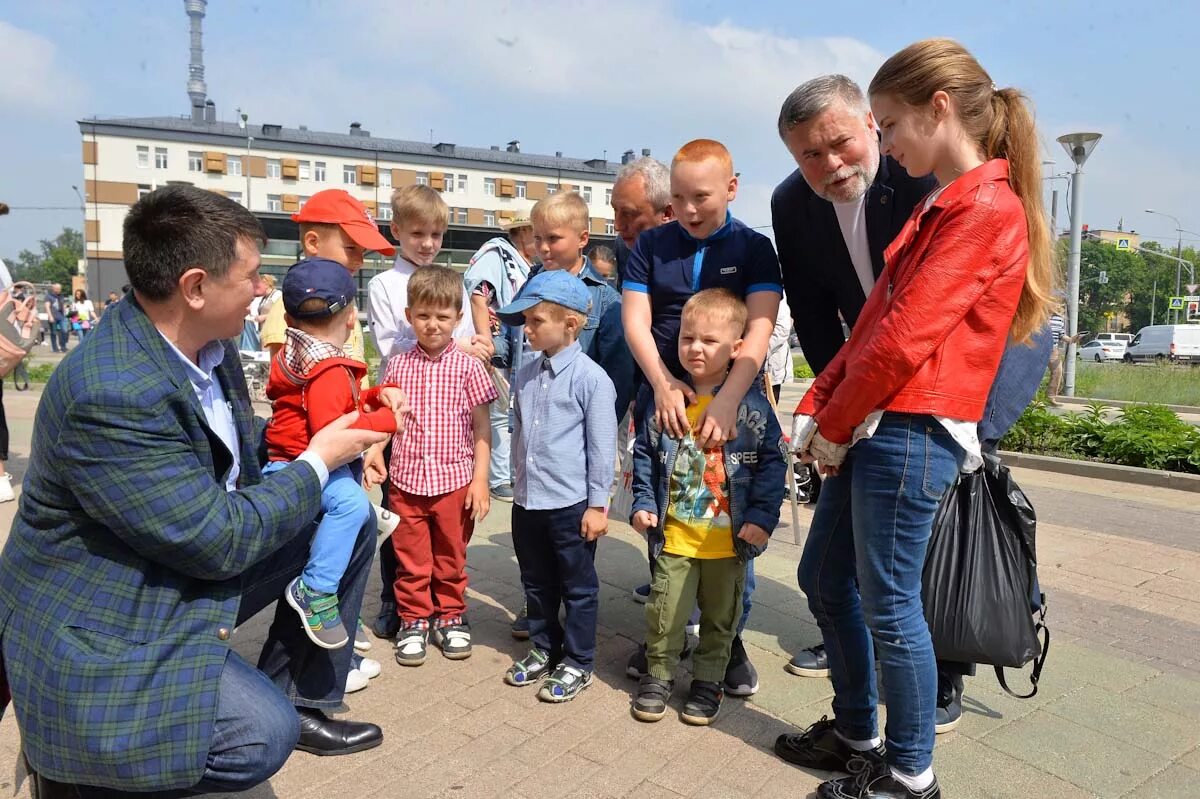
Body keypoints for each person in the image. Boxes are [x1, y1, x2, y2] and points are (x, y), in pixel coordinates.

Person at [0, 185, 396, 794]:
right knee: (258, 733)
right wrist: (319, 460)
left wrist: (333, 436)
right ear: (194, 287)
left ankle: (303, 696)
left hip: (171, 552)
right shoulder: (113, 392)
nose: (265, 289)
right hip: (109, 607)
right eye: (250, 276)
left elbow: (233, 460)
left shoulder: (208, 349)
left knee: (349, 518)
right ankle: (85, 764)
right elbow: (219, 539)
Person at [782, 40, 1054, 799]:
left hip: (913, 427)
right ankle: (858, 732)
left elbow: (903, 339)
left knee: (890, 602)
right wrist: (817, 408)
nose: (886, 141)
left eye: (890, 123)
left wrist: (834, 421)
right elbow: (871, 325)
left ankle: (909, 774)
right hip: (881, 420)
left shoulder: (986, 207)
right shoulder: (944, 201)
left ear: (940, 108)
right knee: (825, 577)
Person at [622, 138, 783, 697]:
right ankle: (666, 629)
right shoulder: (649, 244)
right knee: (670, 512)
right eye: (681, 198)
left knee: (732, 514)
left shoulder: (755, 248)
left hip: (732, 402)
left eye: (703, 198)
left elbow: (760, 327)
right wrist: (663, 385)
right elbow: (637, 323)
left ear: (732, 189)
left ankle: (727, 639)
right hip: (665, 402)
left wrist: (731, 397)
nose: (689, 210)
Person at [629, 289, 785, 726]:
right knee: (665, 613)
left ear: (737, 348)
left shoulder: (750, 406)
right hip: (676, 537)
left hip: (727, 543)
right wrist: (644, 502)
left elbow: (774, 461)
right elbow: (643, 454)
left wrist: (761, 519)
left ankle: (708, 682)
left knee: (722, 619)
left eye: (709, 341)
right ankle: (658, 675)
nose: (695, 348)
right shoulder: (669, 400)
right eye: (687, 338)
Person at [366, 185, 490, 640]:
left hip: (447, 428)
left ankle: (446, 609)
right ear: (396, 230)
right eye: (418, 233)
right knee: (401, 526)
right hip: (405, 405)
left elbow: (464, 336)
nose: (427, 243)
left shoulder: (449, 280)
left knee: (445, 538)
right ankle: (397, 605)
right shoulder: (384, 284)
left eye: (436, 234)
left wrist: (474, 343)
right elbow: (391, 344)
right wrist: (458, 342)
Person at [263, 259, 400, 651]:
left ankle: (363, 524)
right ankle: (316, 590)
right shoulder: (329, 369)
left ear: (289, 318)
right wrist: (390, 420)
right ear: (351, 319)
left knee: (355, 506)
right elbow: (338, 433)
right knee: (352, 506)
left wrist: (374, 395)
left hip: (290, 459)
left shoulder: (302, 354)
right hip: (306, 466)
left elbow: (346, 403)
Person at [499, 270, 617, 703]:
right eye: (525, 321)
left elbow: (602, 448)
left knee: (578, 586)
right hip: (528, 500)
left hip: (570, 504)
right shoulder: (527, 372)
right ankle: (545, 648)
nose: (527, 330)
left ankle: (579, 660)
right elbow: (518, 430)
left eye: (535, 321)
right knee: (536, 582)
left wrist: (597, 506)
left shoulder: (592, 379)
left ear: (570, 323)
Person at [380, 265, 496, 666]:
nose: (432, 325)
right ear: (410, 315)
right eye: (424, 316)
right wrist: (375, 452)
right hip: (407, 482)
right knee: (410, 559)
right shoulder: (398, 367)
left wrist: (481, 480)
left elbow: (483, 428)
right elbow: (388, 422)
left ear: (458, 319)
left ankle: (450, 615)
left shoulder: (469, 367)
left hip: (454, 482)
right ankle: (413, 620)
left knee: (451, 557)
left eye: (442, 317)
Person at [497, 192, 633, 417]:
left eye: (553, 238)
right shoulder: (530, 285)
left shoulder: (606, 301)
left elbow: (618, 378)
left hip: (574, 426)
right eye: (538, 238)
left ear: (583, 239)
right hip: (529, 415)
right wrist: (488, 348)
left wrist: (595, 429)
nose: (543, 247)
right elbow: (509, 339)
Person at [261, 189, 394, 364]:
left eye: (363, 252)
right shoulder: (291, 304)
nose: (360, 261)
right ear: (313, 243)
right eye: (351, 248)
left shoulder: (345, 299)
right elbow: (284, 380)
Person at [463, 214, 536, 502]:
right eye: (537, 233)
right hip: (499, 346)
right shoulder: (497, 255)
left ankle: (509, 471)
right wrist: (486, 342)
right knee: (498, 411)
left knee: (512, 411)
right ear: (523, 231)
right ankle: (498, 477)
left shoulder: (520, 260)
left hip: (517, 346)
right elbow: (480, 295)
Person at [610, 156, 674, 288]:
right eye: (615, 210)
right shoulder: (624, 246)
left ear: (667, 213)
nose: (617, 226)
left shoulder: (700, 252)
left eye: (628, 213)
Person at [1046, 309, 1083, 405]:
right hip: (1037, 348)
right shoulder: (1040, 315)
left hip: (1052, 350)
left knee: (1057, 372)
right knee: (1034, 373)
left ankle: (1051, 398)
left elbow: (1061, 335)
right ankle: (1030, 399)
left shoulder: (1059, 319)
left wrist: (1072, 339)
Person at [44, 283, 67, 352]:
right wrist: (50, 316)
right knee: (53, 333)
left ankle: (63, 346)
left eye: (60, 289)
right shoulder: (48, 296)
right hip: (53, 316)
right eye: (57, 289)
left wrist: (65, 311)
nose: (59, 290)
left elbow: (63, 304)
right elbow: (47, 307)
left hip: (61, 316)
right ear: (53, 289)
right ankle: (55, 348)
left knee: (64, 331)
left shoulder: (61, 296)